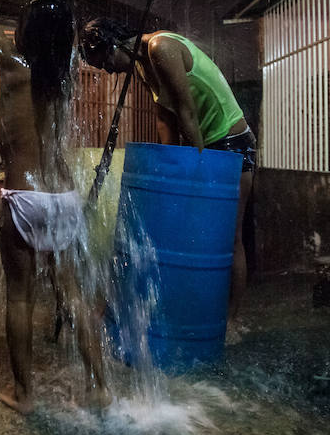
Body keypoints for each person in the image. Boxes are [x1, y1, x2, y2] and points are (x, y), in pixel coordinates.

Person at [0, 0, 110, 414]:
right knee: (73, 293)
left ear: (26, 34)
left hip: (24, 199)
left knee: (20, 298)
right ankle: (100, 385)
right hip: (65, 198)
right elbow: (65, 30)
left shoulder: (15, 68)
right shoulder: (66, 75)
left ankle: (23, 392)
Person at [81, 19, 256, 318]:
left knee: (231, 235)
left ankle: (230, 320)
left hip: (229, 143)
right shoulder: (141, 66)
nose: (109, 70)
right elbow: (165, 119)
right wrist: (169, 167)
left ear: (115, 44)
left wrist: (195, 166)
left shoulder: (161, 47)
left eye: (106, 61)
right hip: (202, 143)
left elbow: (186, 110)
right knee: (191, 233)